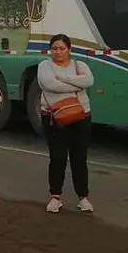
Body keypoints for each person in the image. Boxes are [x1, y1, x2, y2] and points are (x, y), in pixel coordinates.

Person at [37, 34, 94, 214]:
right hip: (54, 118)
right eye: (54, 48)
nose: (58, 52)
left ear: (69, 49)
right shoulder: (44, 66)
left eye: (62, 48)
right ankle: (55, 197)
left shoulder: (80, 65)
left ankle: (83, 197)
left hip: (80, 116)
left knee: (79, 158)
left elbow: (89, 81)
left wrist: (62, 78)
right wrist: (77, 84)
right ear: (50, 50)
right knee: (57, 157)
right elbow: (49, 84)